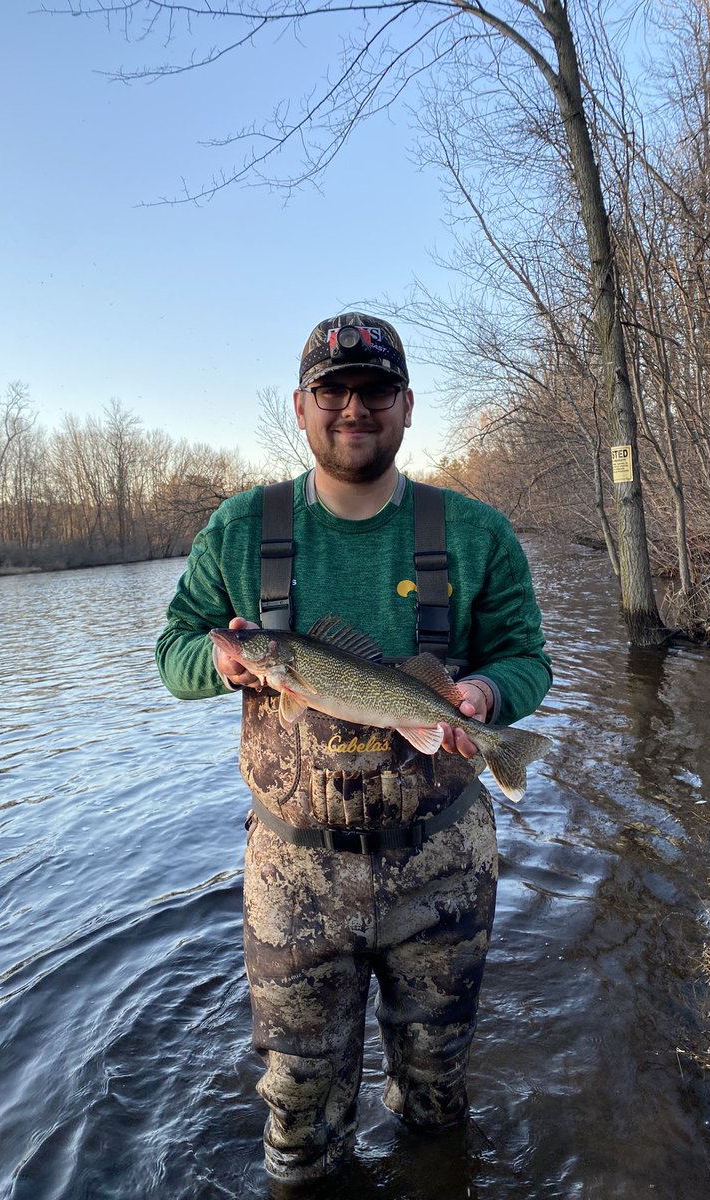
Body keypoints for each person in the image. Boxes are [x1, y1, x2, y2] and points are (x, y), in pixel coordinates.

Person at [156, 312, 552, 1185]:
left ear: (406, 405)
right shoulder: (237, 528)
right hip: (293, 875)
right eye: (332, 391)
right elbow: (174, 652)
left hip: (445, 861)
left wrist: (486, 695)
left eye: (374, 390)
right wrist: (219, 660)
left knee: (438, 1096)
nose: (353, 408)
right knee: (297, 1121)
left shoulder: (477, 533)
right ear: (300, 406)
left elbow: (527, 658)